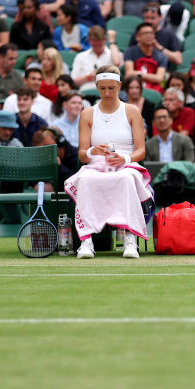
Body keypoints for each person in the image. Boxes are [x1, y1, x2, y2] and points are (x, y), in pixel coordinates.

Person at [66, 66, 152, 259]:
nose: (107, 93)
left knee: (127, 178)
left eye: (111, 88)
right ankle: (86, 241)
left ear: (119, 86)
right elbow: (82, 155)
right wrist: (92, 151)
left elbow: (141, 150)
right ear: (97, 87)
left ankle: (130, 239)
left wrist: (125, 158)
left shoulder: (132, 111)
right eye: (103, 88)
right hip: (96, 166)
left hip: (126, 165)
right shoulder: (87, 114)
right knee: (86, 179)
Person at [124, 23, 169, 91]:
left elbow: (159, 78)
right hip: (133, 89)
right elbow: (128, 74)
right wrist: (151, 77)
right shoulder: (130, 51)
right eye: (145, 33)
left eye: (151, 33)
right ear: (137, 37)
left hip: (154, 90)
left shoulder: (161, 56)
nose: (149, 35)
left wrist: (139, 75)